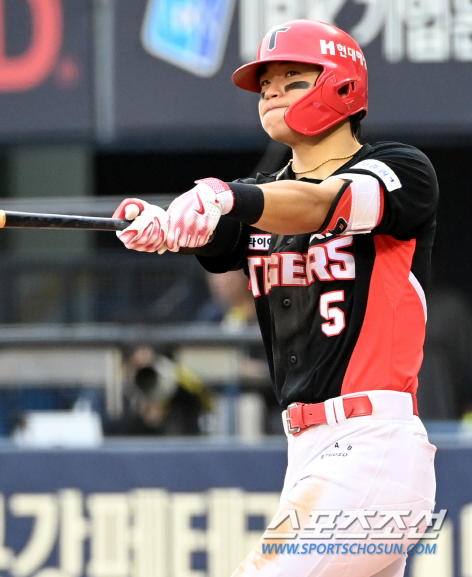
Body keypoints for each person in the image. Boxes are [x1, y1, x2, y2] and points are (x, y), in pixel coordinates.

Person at [113, 20, 437, 577]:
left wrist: (223, 197)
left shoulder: (399, 169)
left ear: (340, 85)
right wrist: (162, 226)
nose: (271, 91)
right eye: (266, 83)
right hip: (307, 451)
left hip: (372, 444)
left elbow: (316, 205)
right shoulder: (265, 196)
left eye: (291, 78)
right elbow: (221, 235)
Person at [105, 346, 212, 436]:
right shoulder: (122, 422)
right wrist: (146, 416)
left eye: (148, 369)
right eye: (138, 368)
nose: (144, 376)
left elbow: (205, 401)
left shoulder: (184, 398)